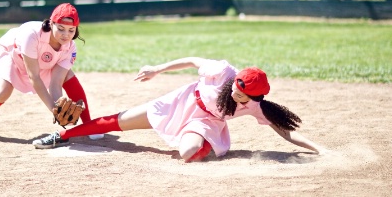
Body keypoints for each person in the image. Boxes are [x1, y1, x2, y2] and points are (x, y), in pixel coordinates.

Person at [32, 57, 328, 162]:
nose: (236, 90)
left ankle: (206, 147)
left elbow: (287, 134)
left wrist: (319, 150)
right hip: (179, 103)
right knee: (116, 121)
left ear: (256, 96)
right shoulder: (223, 71)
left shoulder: (256, 106)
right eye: (237, 85)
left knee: (187, 153)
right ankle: (62, 135)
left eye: (243, 92)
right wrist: (157, 70)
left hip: (205, 123)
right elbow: (190, 60)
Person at [0, 3, 104, 141]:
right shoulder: (32, 35)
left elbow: (55, 83)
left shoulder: (70, 48)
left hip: (42, 62)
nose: (65, 35)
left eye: (71, 30)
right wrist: (54, 110)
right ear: (51, 23)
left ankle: (89, 126)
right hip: (14, 54)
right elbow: (34, 76)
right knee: (2, 92)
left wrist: (59, 106)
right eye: (60, 28)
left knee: (68, 75)